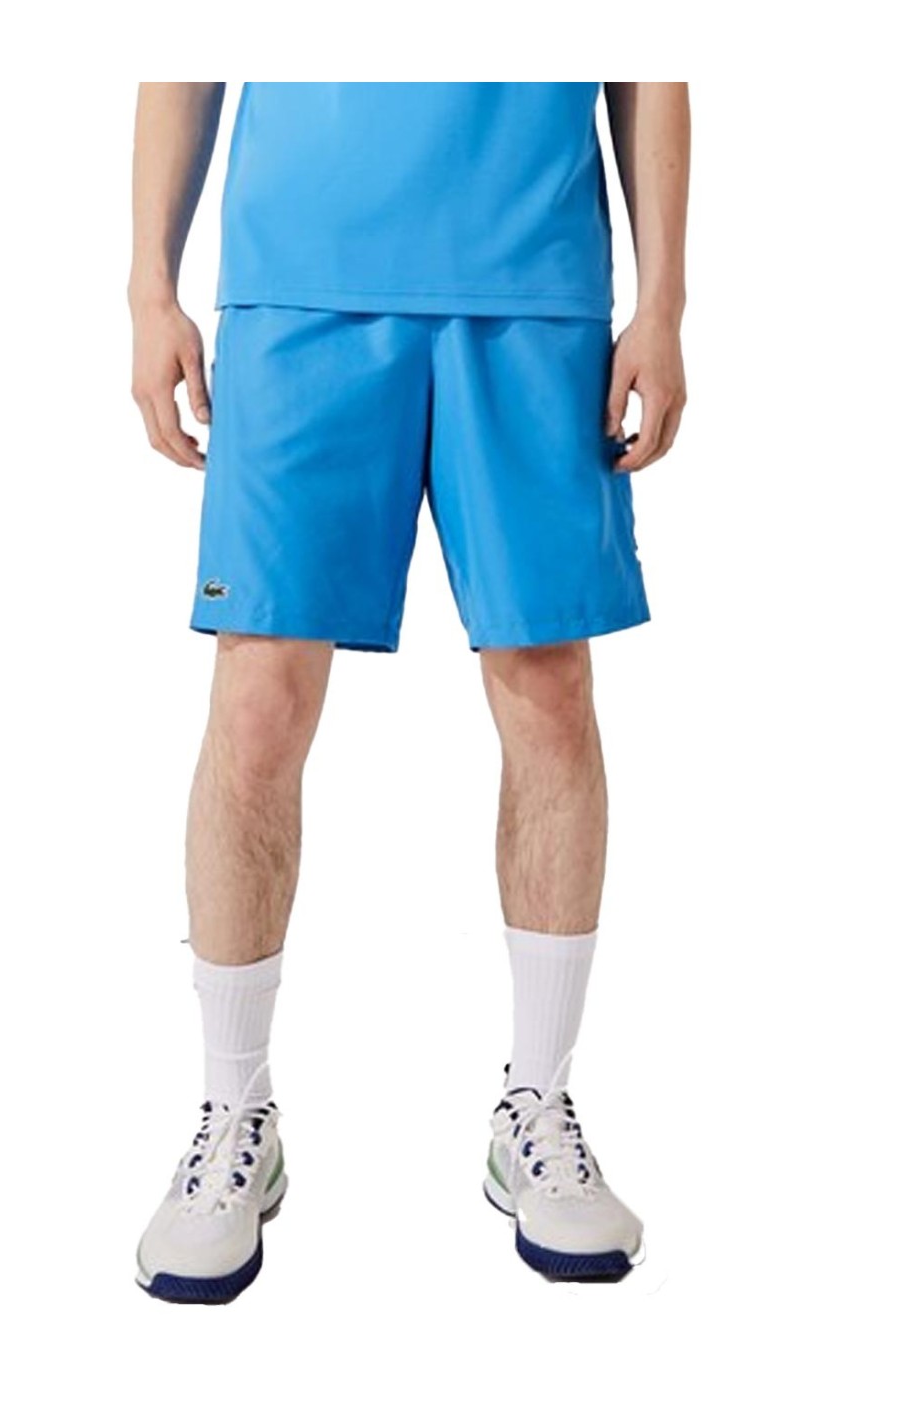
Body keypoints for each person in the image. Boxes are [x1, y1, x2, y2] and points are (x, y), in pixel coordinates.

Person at [128, 81, 689, 1303]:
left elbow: (647, 57)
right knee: (257, 699)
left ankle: (536, 1101)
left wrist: (662, 303)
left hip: (531, 281)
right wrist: (146, 283)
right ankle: (232, 1112)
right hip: (297, 277)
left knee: (546, 687)